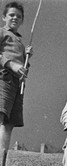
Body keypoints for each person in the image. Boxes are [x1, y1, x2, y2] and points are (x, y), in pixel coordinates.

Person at [0, 1, 31, 152]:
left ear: (22, 20)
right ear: (4, 17)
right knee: (1, 114)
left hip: (17, 83)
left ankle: (2, 155)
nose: (15, 18)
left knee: (9, 121)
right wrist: (10, 64)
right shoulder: (2, 32)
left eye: (18, 16)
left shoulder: (20, 41)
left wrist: (27, 58)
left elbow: (23, 69)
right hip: (3, 78)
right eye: (11, 15)